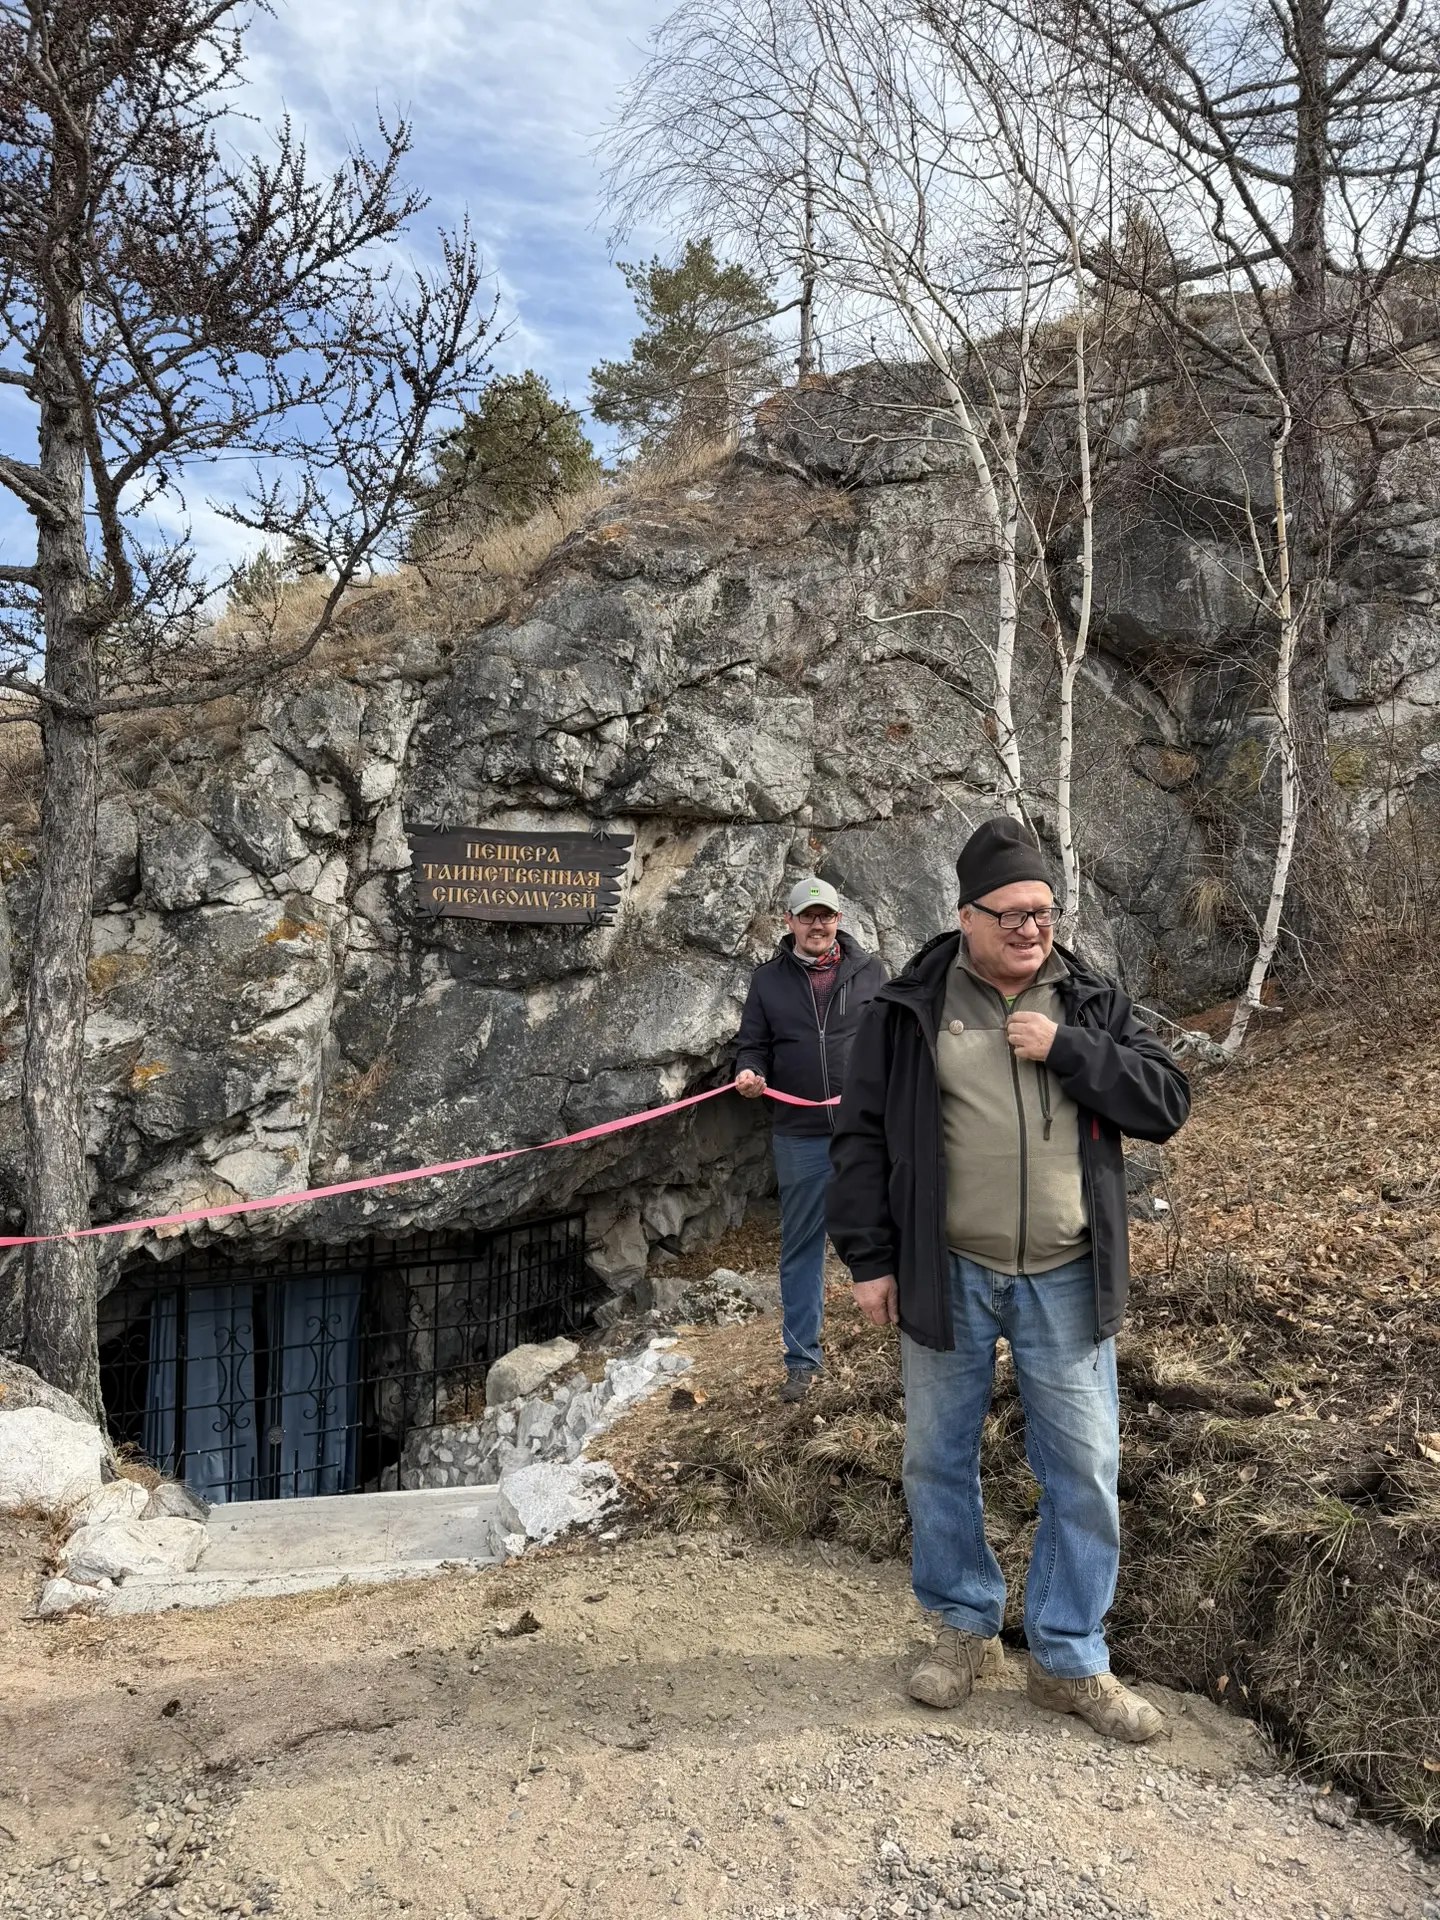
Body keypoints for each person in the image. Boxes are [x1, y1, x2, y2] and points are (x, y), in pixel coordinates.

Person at [827, 817, 1190, 1743]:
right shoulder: (908, 1007)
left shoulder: (1089, 1000)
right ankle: (963, 1629)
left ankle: (1069, 1659)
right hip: (946, 1268)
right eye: (1014, 913)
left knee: (1084, 1467)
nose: (1034, 929)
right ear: (966, 915)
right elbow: (860, 1138)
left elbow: (1166, 1104)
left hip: (1068, 1271)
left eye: (1045, 911)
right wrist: (870, 1260)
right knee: (935, 1458)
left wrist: (1068, 1050)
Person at [735, 877, 887, 1402]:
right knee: (801, 1249)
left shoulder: (872, 973)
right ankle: (802, 1364)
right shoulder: (767, 981)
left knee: (895, 1231)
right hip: (798, 1135)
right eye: (807, 916)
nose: (817, 924)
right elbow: (751, 1046)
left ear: (838, 919)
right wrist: (750, 1073)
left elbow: (893, 1042)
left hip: (867, 1130)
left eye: (826, 916)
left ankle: (912, 1340)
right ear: (790, 922)